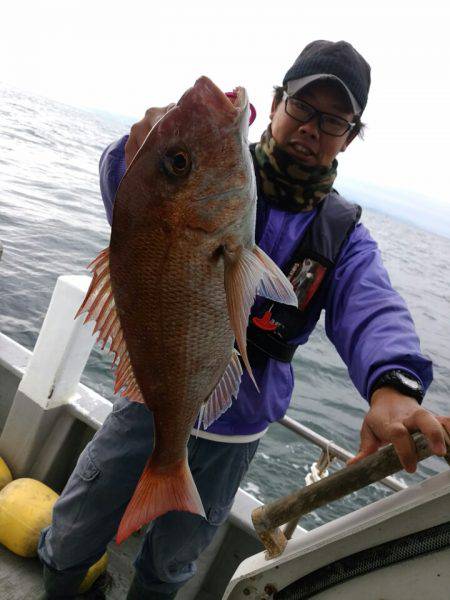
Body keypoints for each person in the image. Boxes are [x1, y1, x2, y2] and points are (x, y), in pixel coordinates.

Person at [38, 40, 450, 599]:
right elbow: (131, 204)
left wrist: (393, 385)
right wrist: (140, 148)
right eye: (303, 107)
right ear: (277, 104)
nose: (311, 128)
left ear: (349, 138)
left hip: (239, 428)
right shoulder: (208, 170)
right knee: (74, 530)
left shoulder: (344, 236)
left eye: (333, 121)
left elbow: (372, 305)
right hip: (150, 398)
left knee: (172, 567)